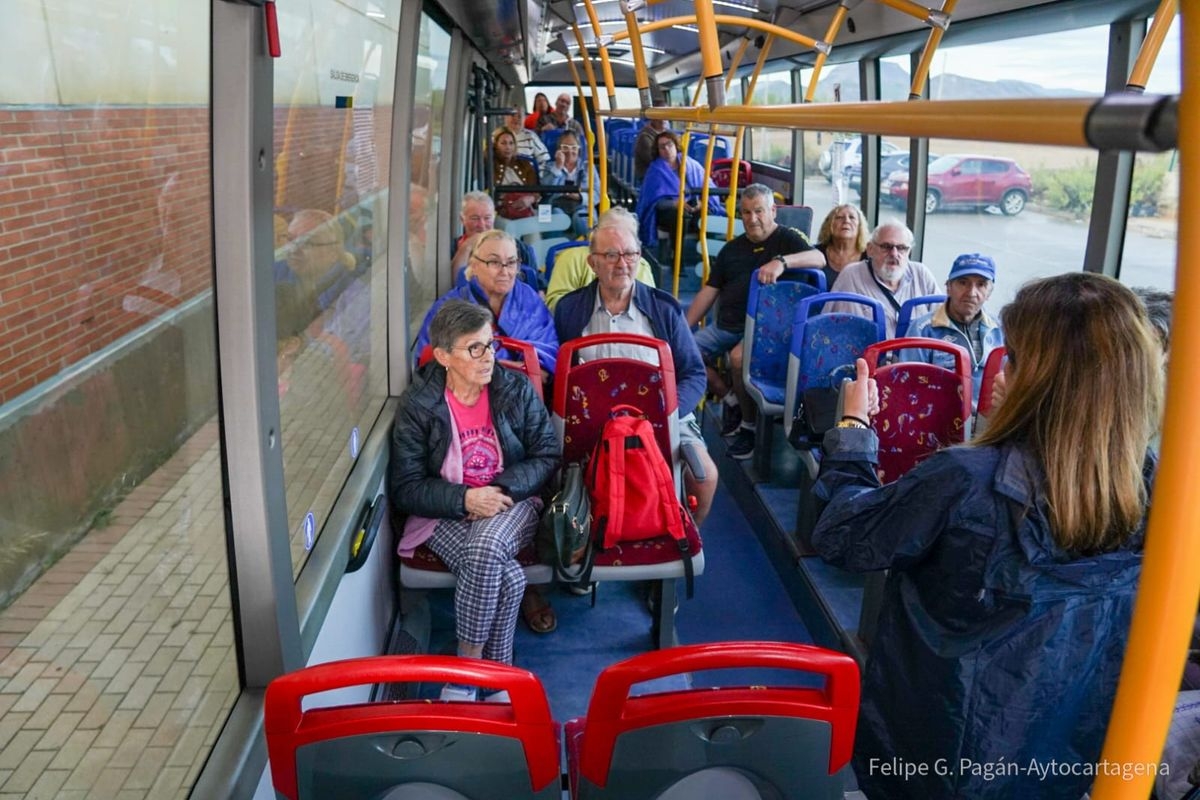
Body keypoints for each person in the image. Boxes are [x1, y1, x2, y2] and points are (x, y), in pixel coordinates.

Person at [812, 273, 1161, 799]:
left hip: (939, 747)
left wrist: (855, 429)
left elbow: (844, 537)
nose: (999, 368)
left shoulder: (965, 478)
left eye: (1014, 357)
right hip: (1066, 749)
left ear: (1043, 379)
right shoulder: (1156, 486)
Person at [390, 300, 559, 698]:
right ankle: (499, 676)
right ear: (445, 356)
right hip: (444, 514)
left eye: (491, 344)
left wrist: (500, 491)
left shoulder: (513, 389)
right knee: (508, 575)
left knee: (484, 548)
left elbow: (547, 454)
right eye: (475, 348)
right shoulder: (420, 405)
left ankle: (464, 672)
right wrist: (465, 499)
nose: (489, 357)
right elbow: (407, 486)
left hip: (512, 503)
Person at [554, 221, 718, 525]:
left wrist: (664, 416)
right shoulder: (570, 310)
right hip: (593, 420)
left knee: (705, 478)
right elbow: (561, 376)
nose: (622, 264)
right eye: (611, 255)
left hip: (662, 416)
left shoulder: (664, 310)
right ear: (593, 263)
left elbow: (694, 373)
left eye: (630, 254)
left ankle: (680, 536)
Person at [684, 184, 824, 460]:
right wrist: (680, 330)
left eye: (758, 211)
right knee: (683, 352)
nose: (752, 218)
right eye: (746, 212)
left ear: (772, 211)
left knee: (738, 359)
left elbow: (818, 258)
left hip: (766, 330)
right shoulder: (731, 250)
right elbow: (710, 292)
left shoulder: (788, 240)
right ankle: (730, 397)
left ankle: (747, 426)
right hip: (728, 324)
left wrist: (781, 262)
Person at [418, 229, 558, 377]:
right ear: (474, 265)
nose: (504, 271)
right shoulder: (448, 308)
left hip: (521, 394)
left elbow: (545, 364)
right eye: (494, 262)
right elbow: (431, 366)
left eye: (511, 262)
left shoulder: (530, 300)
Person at [902, 253, 1005, 408]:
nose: (971, 293)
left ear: (989, 292)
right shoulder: (922, 330)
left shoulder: (1000, 330)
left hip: (989, 421)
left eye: (981, 285)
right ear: (948, 287)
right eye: (963, 283)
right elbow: (908, 385)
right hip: (936, 418)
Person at [826, 221, 940, 337]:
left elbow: (943, 321)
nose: (894, 254)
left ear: (909, 252)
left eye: (901, 248)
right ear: (870, 249)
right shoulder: (851, 276)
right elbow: (831, 330)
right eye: (886, 247)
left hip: (917, 353)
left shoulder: (921, 274)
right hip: (869, 353)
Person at [544, 207, 657, 312]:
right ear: (595, 233)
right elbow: (555, 306)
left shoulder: (641, 265)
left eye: (627, 235)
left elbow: (650, 309)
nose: (622, 263)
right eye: (612, 233)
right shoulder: (571, 258)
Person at [635, 130, 722, 252]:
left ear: (676, 145)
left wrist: (701, 204)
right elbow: (653, 201)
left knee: (706, 216)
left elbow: (708, 186)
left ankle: (710, 257)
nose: (667, 149)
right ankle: (677, 258)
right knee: (679, 216)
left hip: (693, 206)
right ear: (658, 151)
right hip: (669, 211)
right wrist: (676, 204)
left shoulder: (691, 165)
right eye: (662, 147)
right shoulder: (655, 171)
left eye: (669, 144)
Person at [450, 192, 538, 285]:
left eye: (487, 218)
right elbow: (452, 285)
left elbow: (536, 285)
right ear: (462, 219)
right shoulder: (450, 249)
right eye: (475, 218)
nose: (482, 225)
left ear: (494, 217)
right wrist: (466, 247)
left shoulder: (520, 248)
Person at [540, 130, 600, 236]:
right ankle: (556, 250)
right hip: (556, 205)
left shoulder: (588, 167)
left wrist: (579, 197)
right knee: (557, 217)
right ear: (559, 150)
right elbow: (545, 191)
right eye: (565, 148)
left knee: (581, 219)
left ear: (579, 150)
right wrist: (558, 167)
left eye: (573, 148)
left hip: (582, 206)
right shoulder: (550, 167)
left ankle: (589, 248)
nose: (569, 151)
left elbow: (597, 194)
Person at [813, 204, 869, 290]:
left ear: (860, 227)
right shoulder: (815, 253)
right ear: (829, 225)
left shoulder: (870, 256)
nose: (846, 221)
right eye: (839, 217)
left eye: (852, 217)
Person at [491, 128, 539, 221]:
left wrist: (530, 199)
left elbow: (536, 191)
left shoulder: (525, 164)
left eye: (511, 143)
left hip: (525, 211)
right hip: (500, 212)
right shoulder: (489, 165)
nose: (508, 147)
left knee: (533, 233)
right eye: (503, 143)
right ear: (495, 145)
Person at [504, 107, 550, 171]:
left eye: (519, 116)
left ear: (524, 119)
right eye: (512, 115)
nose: (516, 118)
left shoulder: (531, 136)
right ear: (505, 118)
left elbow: (544, 159)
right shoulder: (496, 136)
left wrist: (536, 175)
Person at [633, 100, 668, 181]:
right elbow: (656, 162)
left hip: (662, 174)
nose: (664, 119)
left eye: (666, 115)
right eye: (660, 115)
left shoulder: (666, 134)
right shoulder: (645, 137)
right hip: (650, 178)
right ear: (652, 117)